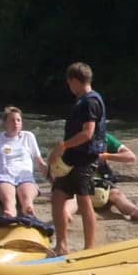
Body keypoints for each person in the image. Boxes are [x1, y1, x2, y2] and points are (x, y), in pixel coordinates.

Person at [51, 63, 109, 257]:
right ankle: (62, 245)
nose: (70, 88)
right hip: (71, 159)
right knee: (58, 196)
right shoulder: (82, 100)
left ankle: (89, 248)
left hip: (84, 159)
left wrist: (64, 145)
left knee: (84, 201)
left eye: (70, 84)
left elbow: (88, 133)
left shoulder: (90, 101)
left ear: (75, 81)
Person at [0, 107, 45, 225]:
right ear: (5, 123)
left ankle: (30, 218)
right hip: (5, 178)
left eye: (18, 120)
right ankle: (9, 219)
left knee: (27, 202)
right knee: (9, 202)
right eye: (12, 120)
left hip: (25, 178)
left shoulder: (28, 137)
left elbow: (39, 162)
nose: (16, 123)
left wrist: (54, 183)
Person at [94, 131, 138, 225]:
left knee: (116, 195)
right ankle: (67, 213)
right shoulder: (72, 138)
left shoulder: (104, 138)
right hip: (78, 181)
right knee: (73, 198)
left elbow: (130, 156)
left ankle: (135, 212)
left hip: (101, 184)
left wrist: (106, 156)